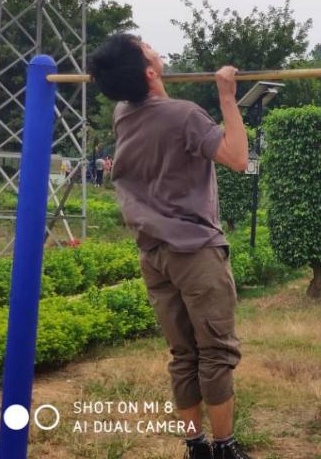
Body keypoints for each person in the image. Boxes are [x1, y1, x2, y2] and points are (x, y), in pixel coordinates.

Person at [88, 33, 250, 459]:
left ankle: (196, 446)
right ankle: (224, 448)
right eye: (147, 48)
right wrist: (227, 97)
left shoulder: (123, 114)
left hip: (153, 254)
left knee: (183, 353)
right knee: (216, 350)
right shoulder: (185, 116)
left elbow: (155, 109)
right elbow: (237, 158)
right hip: (195, 252)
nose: (153, 48)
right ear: (148, 71)